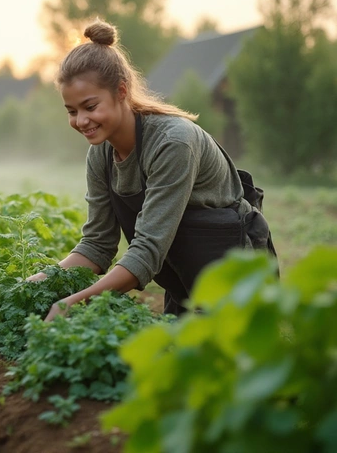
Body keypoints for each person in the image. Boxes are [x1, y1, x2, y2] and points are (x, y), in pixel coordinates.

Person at [29, 19, 276, 321]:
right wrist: (33, 286)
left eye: (90, 107)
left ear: (121, 91)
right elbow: (96, 245)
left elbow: (147, 250)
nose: (81, 120)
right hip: (185, 281)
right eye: (72, 111)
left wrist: (74, 303)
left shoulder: (173, 143)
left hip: (235, 282)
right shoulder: (100, 155)